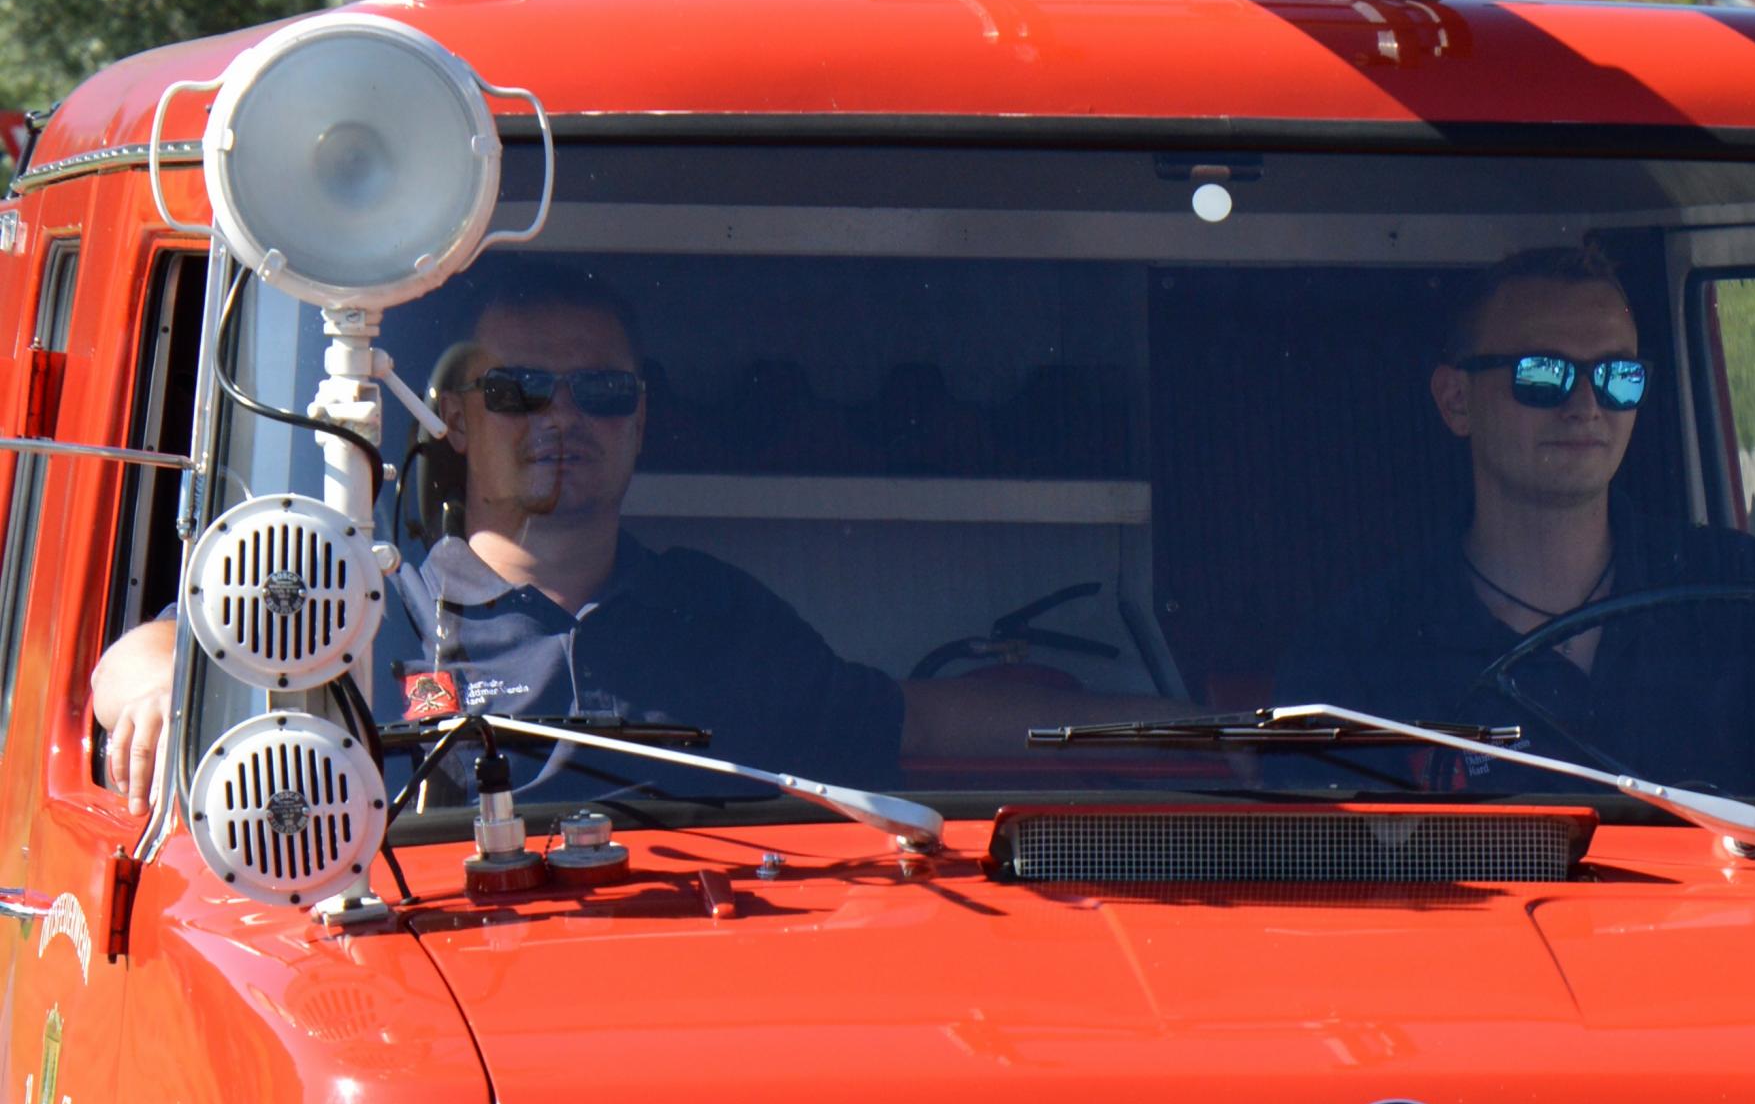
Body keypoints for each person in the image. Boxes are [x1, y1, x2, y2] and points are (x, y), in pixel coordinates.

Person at [90, 288, 1066, 811]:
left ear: (638, 422)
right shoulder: (366, 605)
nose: (562, 417)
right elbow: (155, 651)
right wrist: (159, 685)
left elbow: (908, 721)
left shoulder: (718, 613)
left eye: (600, 393)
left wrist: (1147, 724)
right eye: (518, 391)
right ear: (458, 420)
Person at [1281, 245, 1755, 806]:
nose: (1585, 404)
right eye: (1541, 375)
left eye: (1617, 377)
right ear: (1456, 399)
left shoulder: (1740, 591)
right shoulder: (1361, 648)